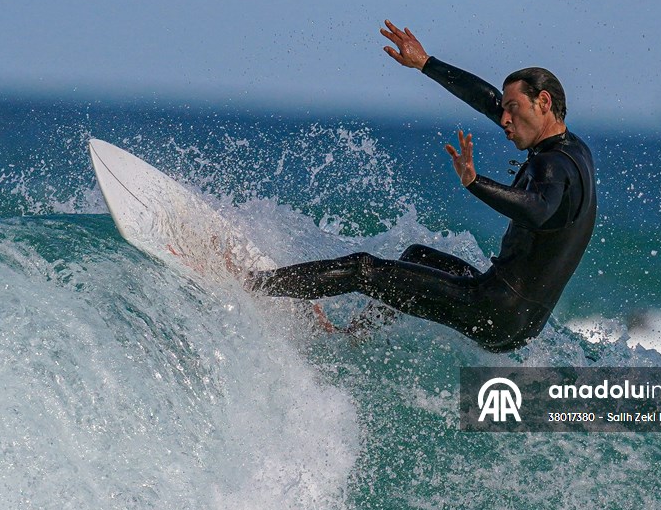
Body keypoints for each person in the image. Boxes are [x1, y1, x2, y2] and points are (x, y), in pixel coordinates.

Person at [247, 20, 597, 352]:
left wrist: (475, 182)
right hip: (520, 323)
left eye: (513, 108)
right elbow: (487, 100)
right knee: (418, 256)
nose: (504, 119)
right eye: (504, 109)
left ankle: (253, 286)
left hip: (492, 310)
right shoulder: (574, 152)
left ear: (544, 102)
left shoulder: (550, 166)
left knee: (361, 269)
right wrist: (425, 63)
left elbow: (537, 209)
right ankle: (356, 337)